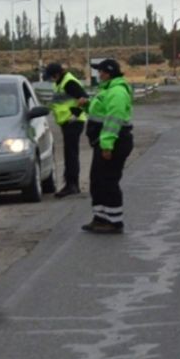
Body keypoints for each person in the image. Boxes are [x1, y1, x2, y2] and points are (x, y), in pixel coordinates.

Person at [82, 59, 133, 234]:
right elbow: (101, 112)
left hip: (114, 143)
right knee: (97, 180)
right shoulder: (107, 89)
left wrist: (107, 145)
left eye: (100, 71)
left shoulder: (117, 92)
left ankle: (114, 221)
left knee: (108, 181)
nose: (98, 74)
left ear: (108, 73)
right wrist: (86, 106)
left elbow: (113, 120)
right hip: (103, 143)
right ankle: (100, 218)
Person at [45, 62, 89, 198]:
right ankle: (70, 184)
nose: (50, 79)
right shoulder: (59, 83)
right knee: (69, 153)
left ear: (56, 74)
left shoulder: (68, 82)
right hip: (66, 123)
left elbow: (84, 98)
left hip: (73, 122)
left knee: (71, 154)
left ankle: (72, 185)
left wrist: (73, 115)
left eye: (51, 76)